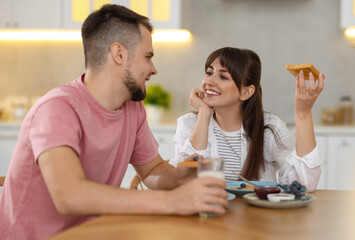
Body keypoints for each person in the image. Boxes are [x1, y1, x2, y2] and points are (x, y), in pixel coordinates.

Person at [0, 5, 228, 240]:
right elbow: (70, 196)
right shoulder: (57, 109)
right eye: (148, 57)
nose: (153, 69)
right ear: (119, 54)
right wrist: (173, 201)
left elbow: (151, 170)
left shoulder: (132, 108)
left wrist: (181, 178)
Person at [169, 47, 324, 192]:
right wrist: (203, 113)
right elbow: (182, 180)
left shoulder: (270, 127)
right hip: (208, 215)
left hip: (257, 219)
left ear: (246, 92)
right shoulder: (189, 124)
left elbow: (304, 184)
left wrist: (303, 113)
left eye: (223, 76)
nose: (209, 82)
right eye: (209, 73)